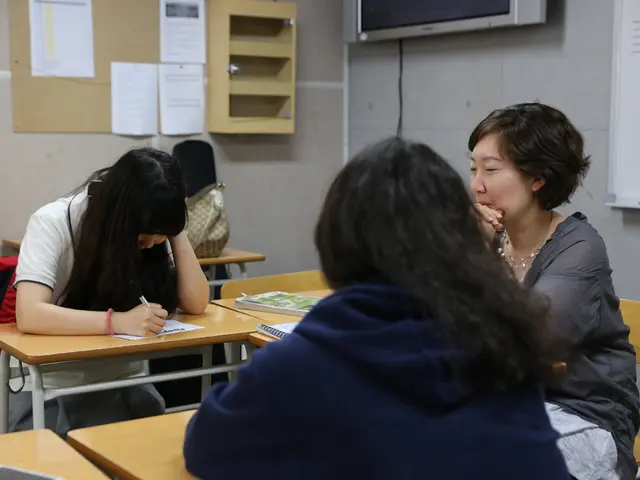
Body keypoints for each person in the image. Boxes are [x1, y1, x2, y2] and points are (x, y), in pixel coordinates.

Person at [183, 137, 570, 480]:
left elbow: (207, 444)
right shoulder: (502, 345)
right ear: (457, 237)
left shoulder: (300, 365)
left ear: (337, 238)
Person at [470, 102, 640, 480]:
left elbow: (530, 339)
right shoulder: (488, 240)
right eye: (473, 168)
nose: (476, 184)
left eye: (491, 169)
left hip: (584, 412)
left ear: (538, 178)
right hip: (510, 402)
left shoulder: (579, 247)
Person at [10, 147, 210, 435]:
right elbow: (29, 314)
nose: (153, 243)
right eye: (145, 235)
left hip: (123, 381)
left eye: (160, 236)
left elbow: (196, 302)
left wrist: (173, 224)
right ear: (121, 217)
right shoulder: (52, 222)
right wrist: (116, 321)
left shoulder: (152, 227)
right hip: (54, 385)